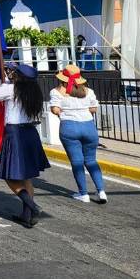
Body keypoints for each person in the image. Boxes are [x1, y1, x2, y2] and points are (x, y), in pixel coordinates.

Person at [0, 63, 50, 228]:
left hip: (15, 134)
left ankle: (32, 206)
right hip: (30, 133)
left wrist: (5, 83)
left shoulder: (11, 89)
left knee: (10, 176)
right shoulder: (34, 91)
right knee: (26, 176)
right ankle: (26, 215)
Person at [50, 64, 106, 204]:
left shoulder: (56, 92)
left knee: (77, 162)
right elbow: (93, 109)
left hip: (69, 127)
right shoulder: (89, 91)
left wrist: (64, 112)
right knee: (91, 161)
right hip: (88, 127)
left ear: (63, 79)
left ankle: (83, 193)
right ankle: (101, 191)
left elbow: (55, 109)